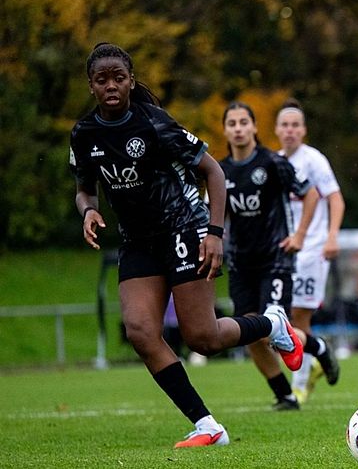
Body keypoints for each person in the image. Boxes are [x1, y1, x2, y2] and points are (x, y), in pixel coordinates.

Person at [70, 43, 303, 448]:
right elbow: (84, 188)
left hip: (182, 227)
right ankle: (207, 425)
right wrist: (88, 211)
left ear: (130, 81)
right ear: (91, 85)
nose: (111, 86)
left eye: (118, 78)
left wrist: (214, 233)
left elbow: (213, 171)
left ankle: (273, 324)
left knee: (203, 339)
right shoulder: (84, 134)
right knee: (142, 333)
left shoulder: (154, 124)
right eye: (102, 79)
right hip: (137, 242)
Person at [220, 101, 334, 411]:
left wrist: (299, 235)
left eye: (244, 122)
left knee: (273, 325)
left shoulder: (273, 162)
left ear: (255, 127)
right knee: (250, 333)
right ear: (226, 130)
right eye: (232, 123)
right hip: (241, 263)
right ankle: (284, 394)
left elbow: (311, 193)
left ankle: (318, 348)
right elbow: (214, 213)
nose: (239, 128)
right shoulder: (220, 170)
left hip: (275, 259)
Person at [275, 99, 343, 402]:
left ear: (303, 130)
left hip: (312, 249)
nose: (290, 130)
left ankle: (299, 384)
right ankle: (315, 356)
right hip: (283, 251)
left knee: (299, 316)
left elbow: (335, 199)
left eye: (295, 125)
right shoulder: (274, 161)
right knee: (281, 318)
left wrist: (331, 237)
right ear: (277, 130)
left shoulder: (313, 160)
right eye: (285, 125)